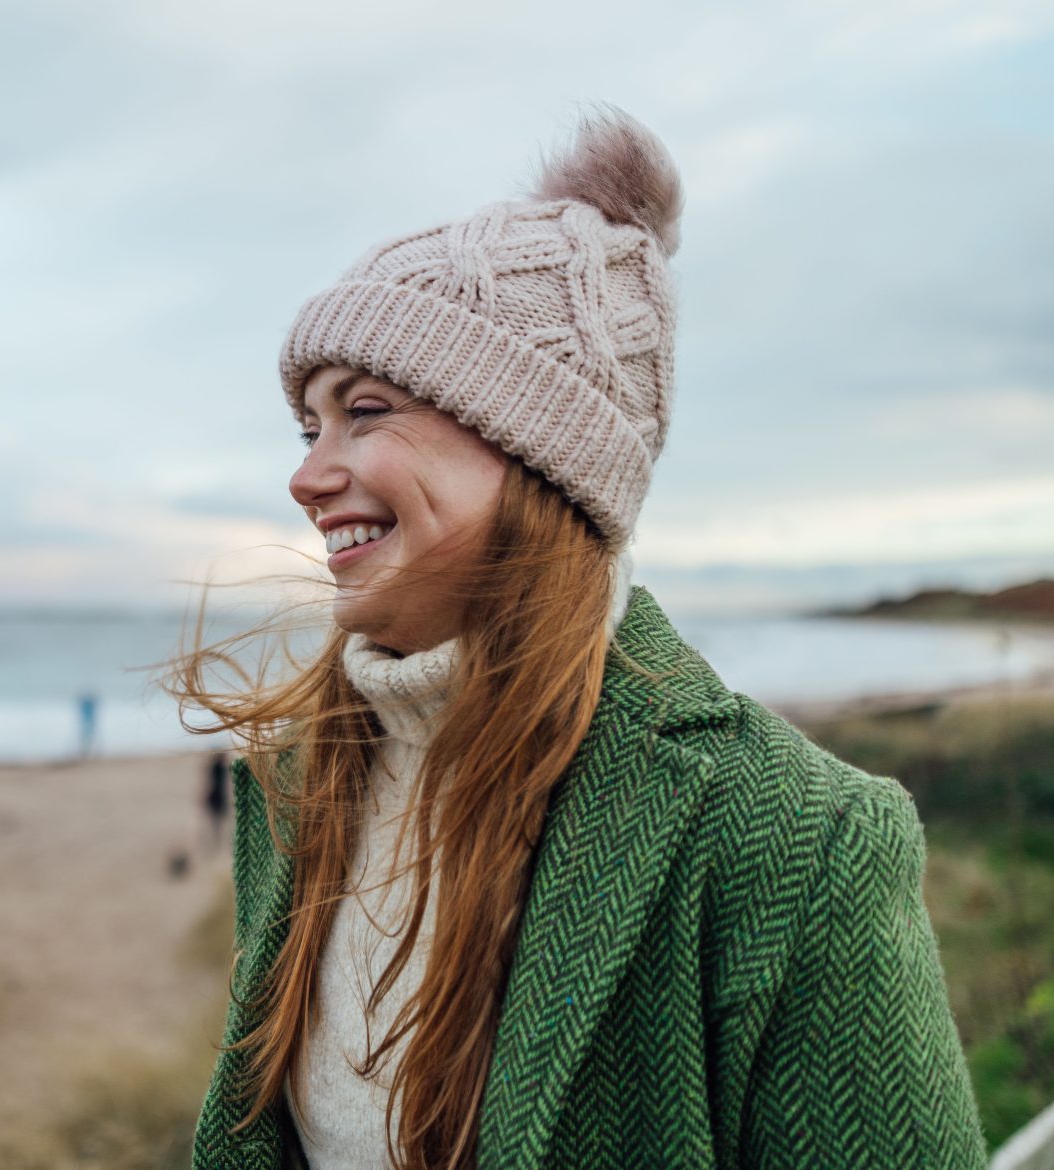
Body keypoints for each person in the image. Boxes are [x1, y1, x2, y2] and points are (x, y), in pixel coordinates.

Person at [177, 108, 986, 1169]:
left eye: (365, 410)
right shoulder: (294, 787)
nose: (306, 476)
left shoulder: (793, 840)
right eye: (307, 426)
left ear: (539, 449)